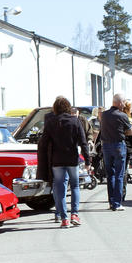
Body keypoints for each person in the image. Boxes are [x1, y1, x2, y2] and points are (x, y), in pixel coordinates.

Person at [37, 96, 89, 228]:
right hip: (72, 159)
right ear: (68, 107)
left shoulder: (51, 122)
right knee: (75, 186)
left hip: (57, 160)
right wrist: (88, 161)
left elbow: (43, 143)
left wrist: (43, 161)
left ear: (55, 108)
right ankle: (75, 214)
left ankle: (64, 218)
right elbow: (83, 142)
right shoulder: (75, 121)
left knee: (59, 188)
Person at [100, 94, 132, 211]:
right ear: (119, 103)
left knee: (110, 175)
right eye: (123, 102)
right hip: (118, 145)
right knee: (119, 174)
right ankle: (117, 203)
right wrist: (122, 132)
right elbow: (131, 132)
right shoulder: (122, 115)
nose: (124, 104)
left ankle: (111, 202)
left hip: (106, 146)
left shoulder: (104, 114)